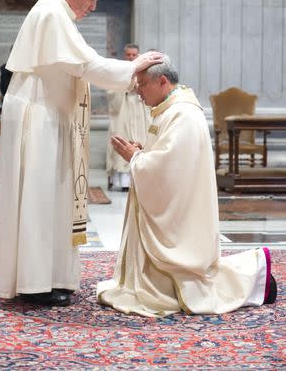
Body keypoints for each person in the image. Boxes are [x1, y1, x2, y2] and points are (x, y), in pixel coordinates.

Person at [0, 0, 163, 306]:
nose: (93, 7)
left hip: (49, 115)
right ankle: (34, 283)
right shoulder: (52, 14)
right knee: (39, 198)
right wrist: (132, 68)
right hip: (38, 116)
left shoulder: (56, 12)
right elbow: (86, 65)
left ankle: (50, 277)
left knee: (51, 197)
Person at [97, 55, 277, 317]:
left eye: (142, 85)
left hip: (182, 210)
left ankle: (254, 275)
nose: (139, 92)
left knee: (194, 281)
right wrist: (142, 152)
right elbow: (165, 158)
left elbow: (166, 167)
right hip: (176, 201)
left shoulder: (184, 114)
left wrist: (135, 158)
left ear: (162, 81)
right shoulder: (169, 109)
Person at [106, 44, 151, 191]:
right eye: (128, 55)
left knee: (140, 140)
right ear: (124, 55)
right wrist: (126, 86)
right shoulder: (120, 71)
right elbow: (111, 91)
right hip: (124, 110)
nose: (131, 57)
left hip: (140, 108)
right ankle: (122, 182)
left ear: (138, 55)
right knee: (123, 138)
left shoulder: (144, 70)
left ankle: (138, 178)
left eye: (134, 55)